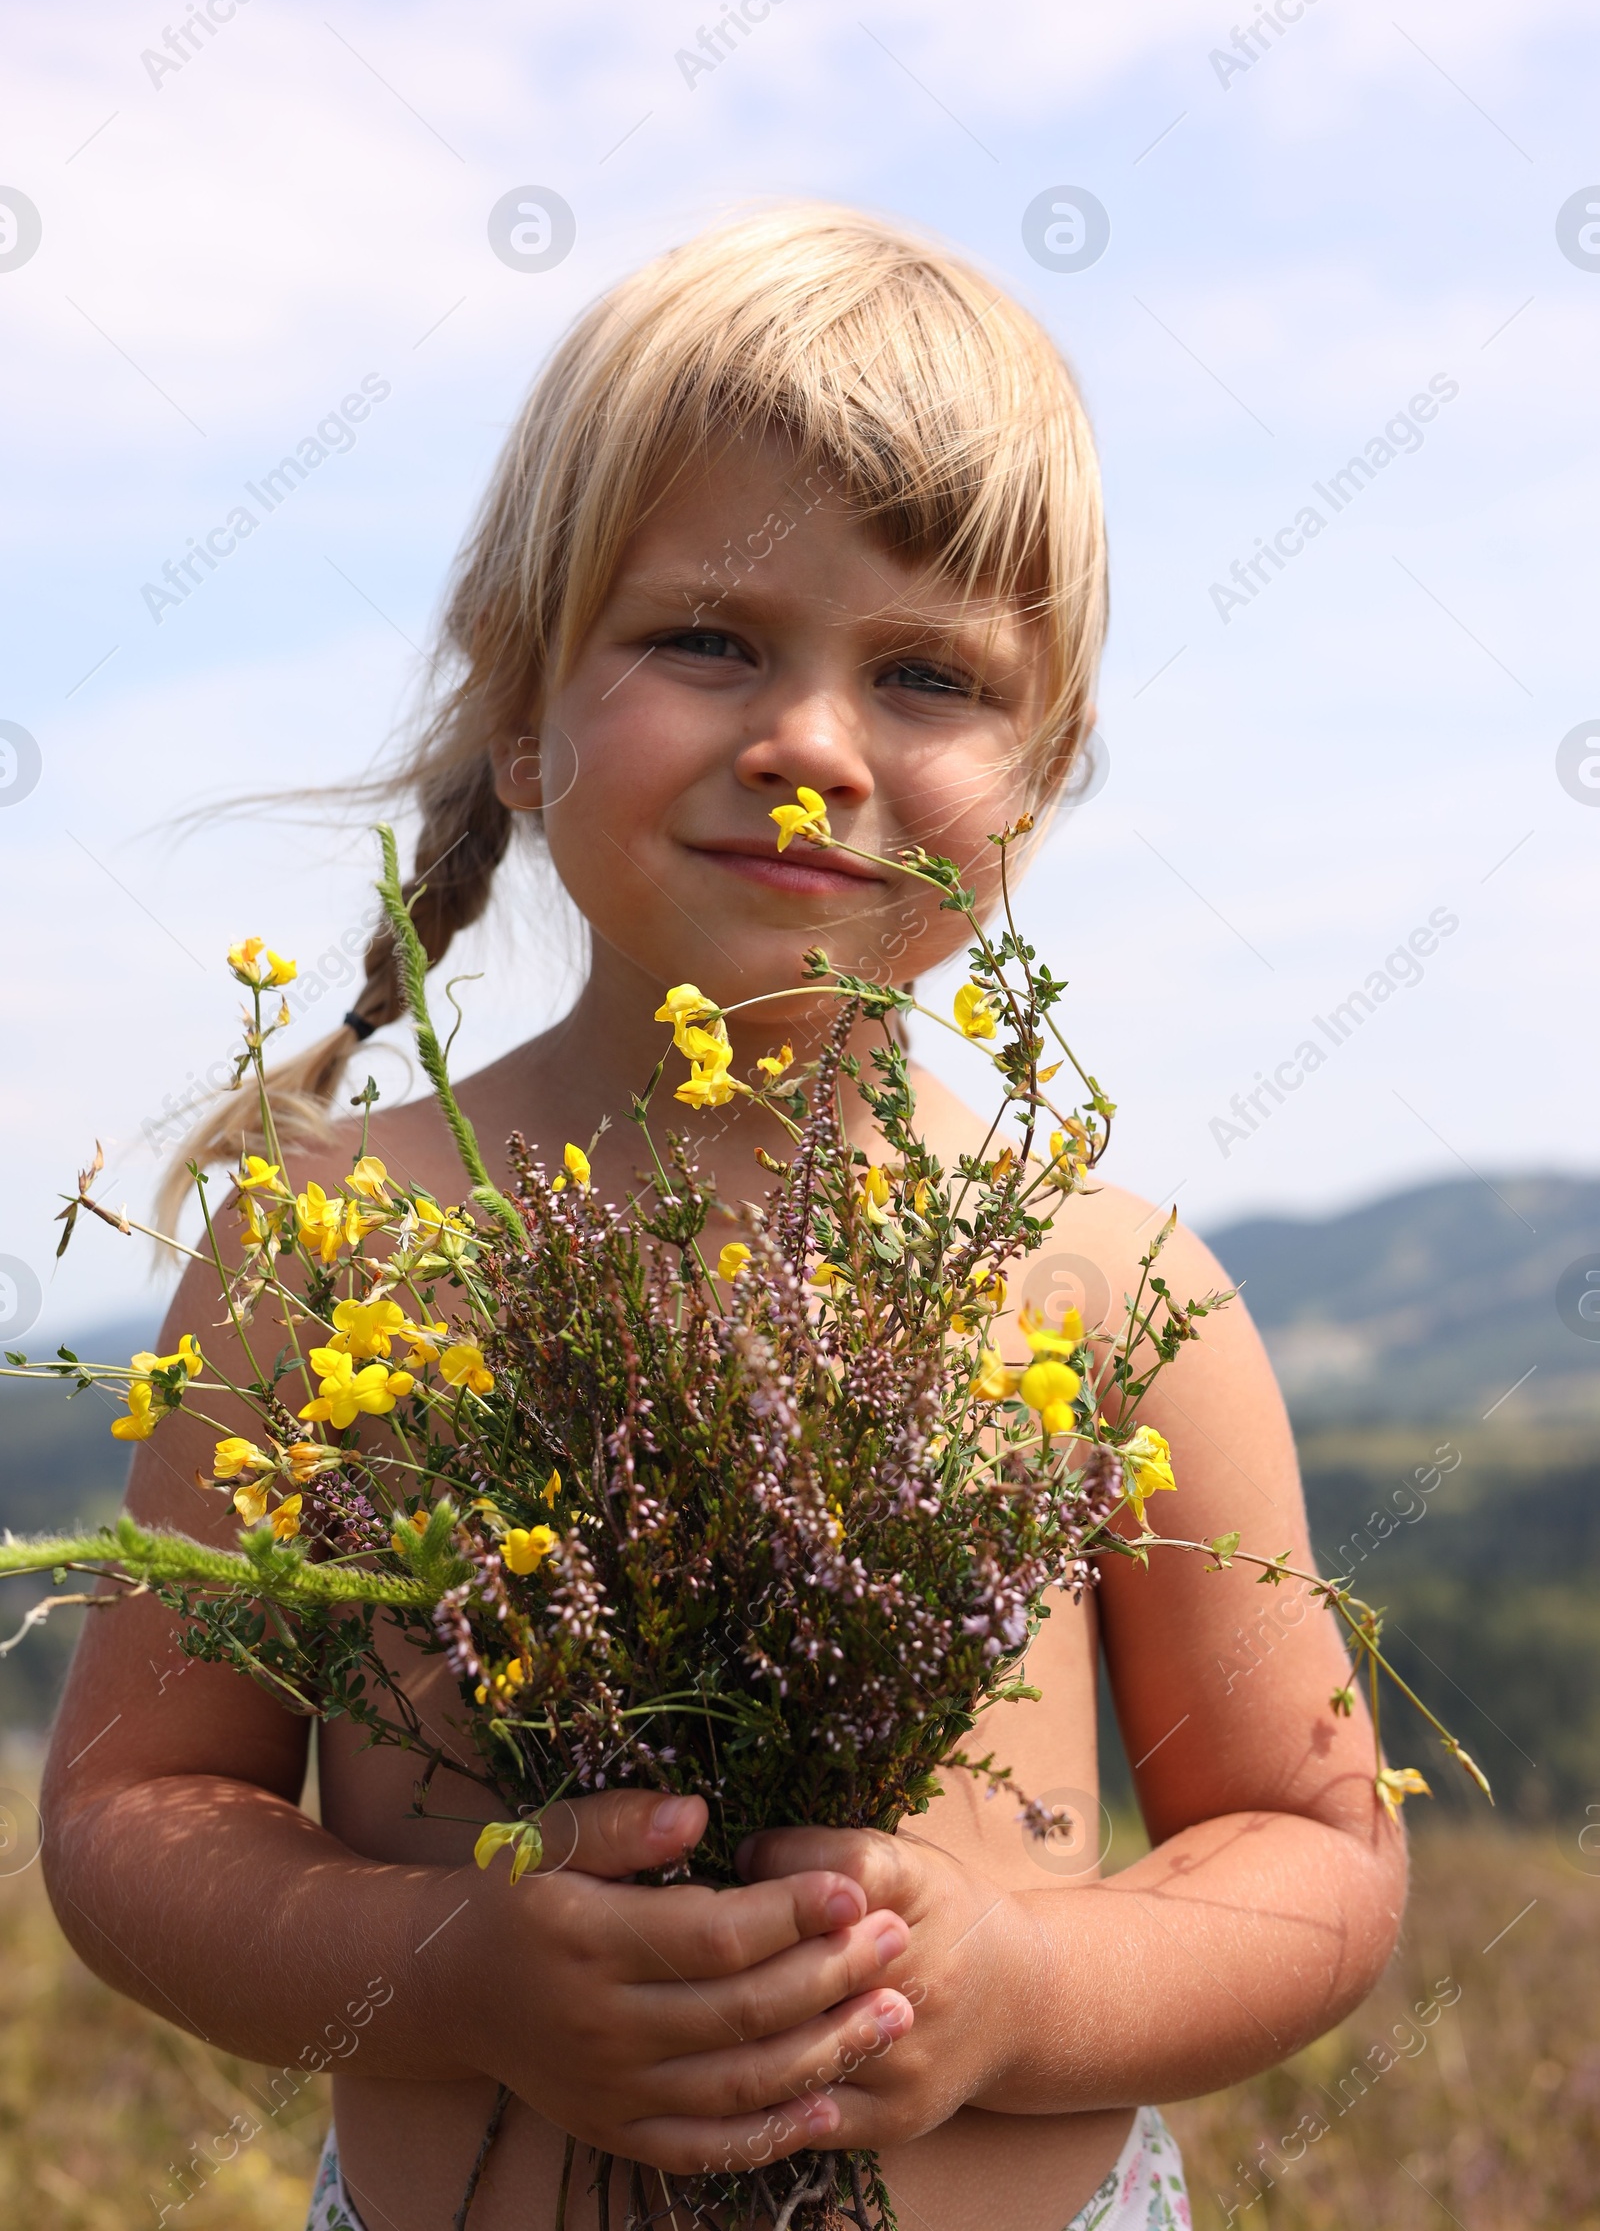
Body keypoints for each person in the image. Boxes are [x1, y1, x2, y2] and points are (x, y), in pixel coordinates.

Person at [41, 207, 1405, 2231]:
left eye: (927, 675)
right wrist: (464, 1971)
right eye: (705, 639)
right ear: (522, 712)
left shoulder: (1111, 1287)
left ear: (1034, 783)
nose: (810, 748)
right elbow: (136, 1813)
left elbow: (1309, 1853)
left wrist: (1022, 1989)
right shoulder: (329, 1241)